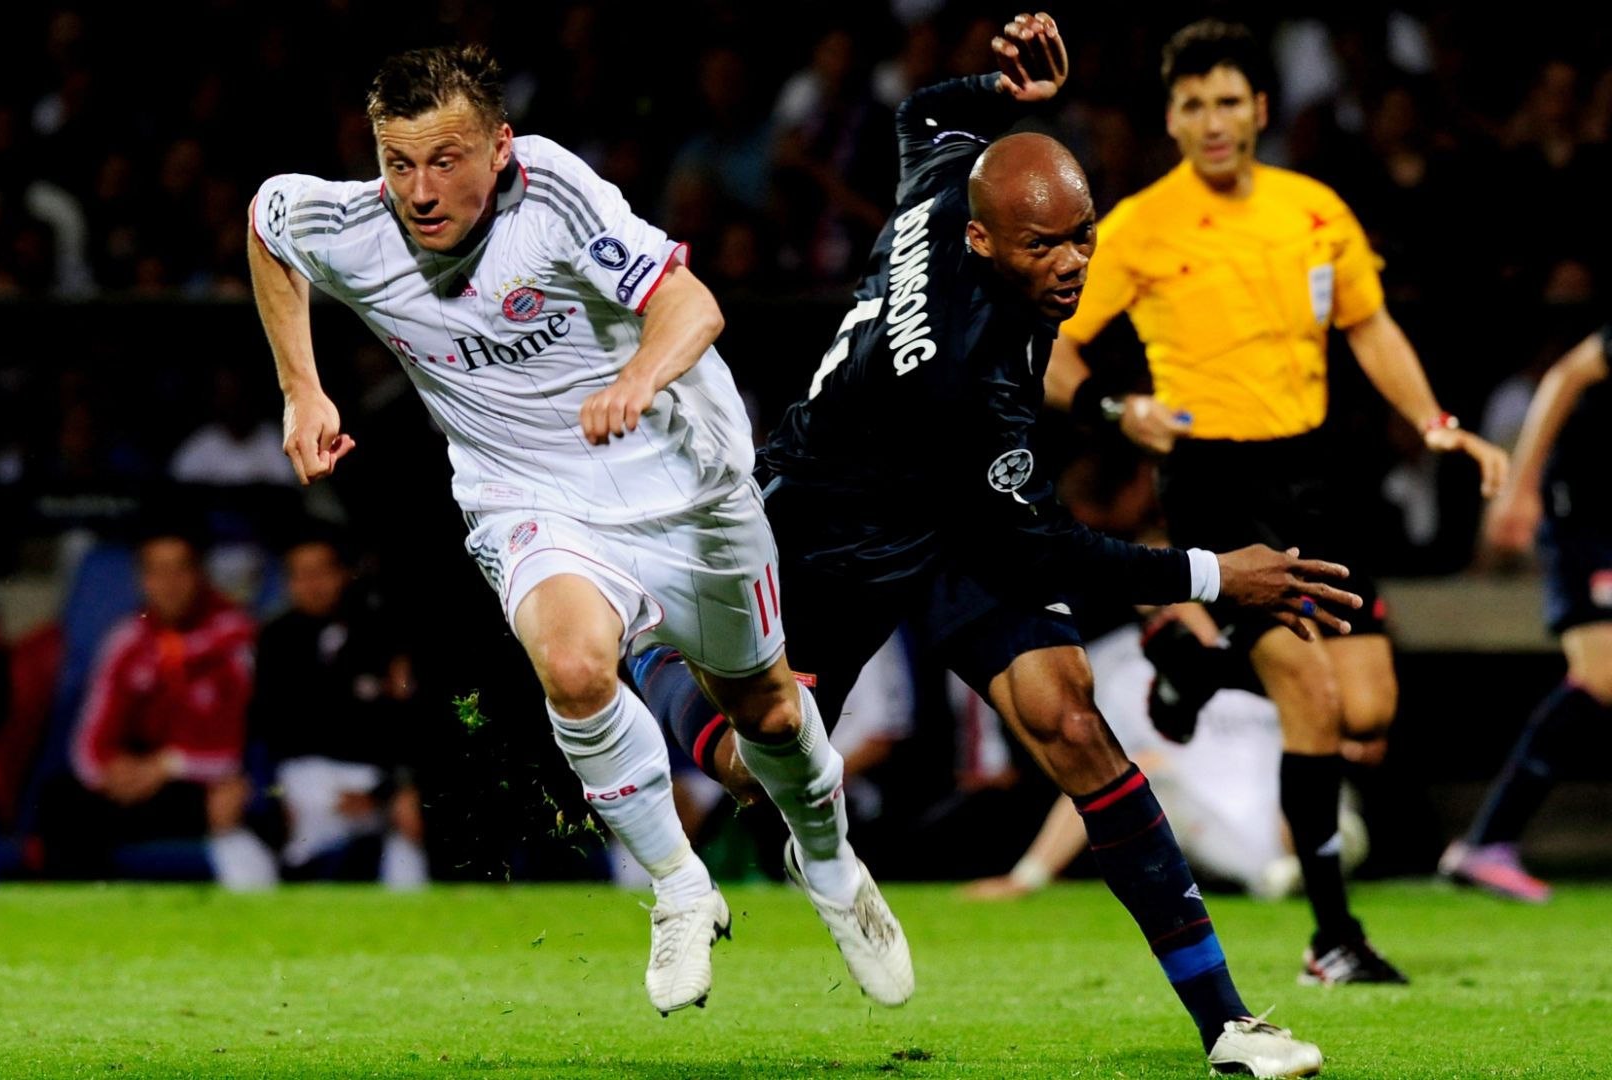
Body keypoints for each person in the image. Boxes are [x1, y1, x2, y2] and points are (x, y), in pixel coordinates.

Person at [630, 14, 1331, 1076]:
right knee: (756, 768)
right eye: (1043, 247)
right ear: (985, 240)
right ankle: (652, 654)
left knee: (1072, 720)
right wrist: (1214, 574)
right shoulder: (971, 379)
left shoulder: (941, 183)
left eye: (1082, 235)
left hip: (951, 520)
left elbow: (925, 113)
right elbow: (1048, 552)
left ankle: (1228, 1022)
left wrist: (1006, 95)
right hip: (832, 528)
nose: (1073, 264)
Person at [246, 44, 910, 1014]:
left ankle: (832, 865)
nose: (419, 191)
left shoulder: (551, 196)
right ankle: (680, 890)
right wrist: (301, 388)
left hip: (680, 480)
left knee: (765, 714)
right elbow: (267, 226)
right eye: (397, 162)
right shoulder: (350, 226)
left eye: (446, 160)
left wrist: (639, 376)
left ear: (500, 149)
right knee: (571, 665)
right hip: (529, 495)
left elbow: (692, 302)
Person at [1045, 17, 1508, 985]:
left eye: (1227, 101)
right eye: (1191, 104)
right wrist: (1115, 409)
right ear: (1170, 117)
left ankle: (1191, 675)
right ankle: (1332, 938)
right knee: (1313, 694)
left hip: (1316, 475)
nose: (1211, 122)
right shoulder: (1136, 226)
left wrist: (1436, 425)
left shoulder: (1313, 209)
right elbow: (1051, 348)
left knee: (1369, 713)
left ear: (1259, 109)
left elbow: (1371, 328)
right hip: (1213, 478)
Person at [960, 619, 1367, 901]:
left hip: (1286, 799)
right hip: (1202, 814)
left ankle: (1309, 857)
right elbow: (1095, 768)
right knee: (1141, 771)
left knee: (1314, 772)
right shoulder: (1122, 671)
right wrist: (1028, 876)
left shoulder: (1265, 649)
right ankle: (1289, 870)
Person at [1442, 325, 1612, 902]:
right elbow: (1568, 374)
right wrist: (1521, 485)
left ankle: (1489, 842)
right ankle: (1487, 843)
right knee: (1601, 673)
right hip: (1585, 507)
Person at [44, 529, 278, 890]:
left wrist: (167, 765)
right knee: (63, 800)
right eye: (157, 572)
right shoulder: (127, 641)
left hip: (203, 784)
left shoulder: (235, 641)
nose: (169, 584)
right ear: (143, 580)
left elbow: (238, 744)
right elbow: (89, 741)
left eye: (180, 570)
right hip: (141, 786)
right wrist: (113, 774)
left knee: (233, 801)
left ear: (199, 574)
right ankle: (89, 926)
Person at [249, 531, 427, 885]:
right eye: (300, 574)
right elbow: (261, 731)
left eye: (322, 571)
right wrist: (272, 796)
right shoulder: (274, 638)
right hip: (302, 781)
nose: (312, 584)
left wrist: (386, 793)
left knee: (409, 826)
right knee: (303, 823)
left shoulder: (383, 631)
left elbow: (409, 725)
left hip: (374, 781)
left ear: (344, 573)